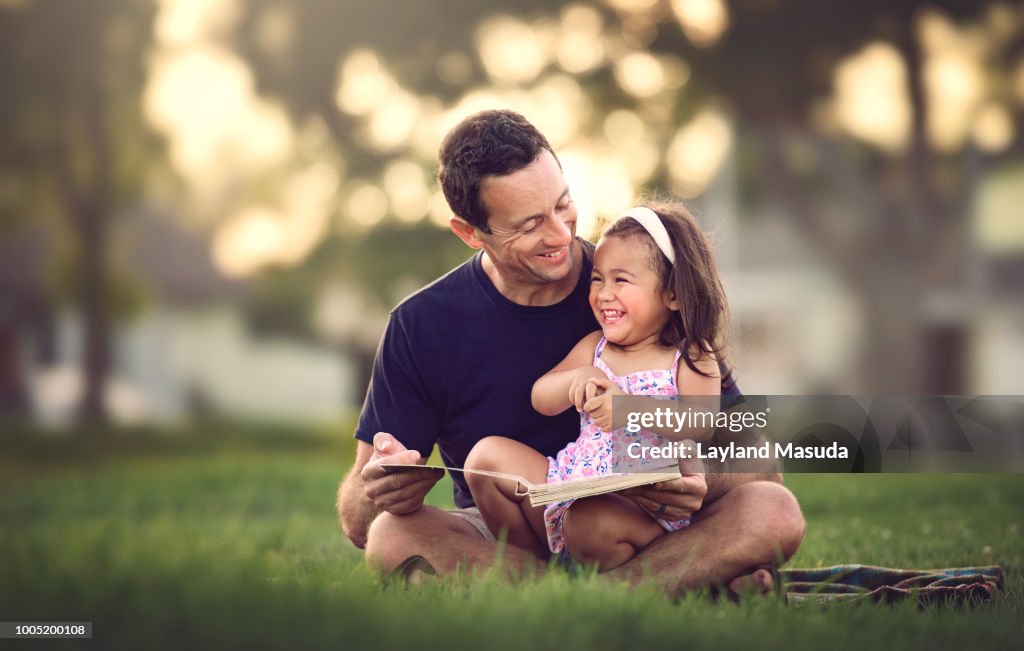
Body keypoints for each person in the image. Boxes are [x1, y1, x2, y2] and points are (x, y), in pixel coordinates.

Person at [335, 109, 805, 595]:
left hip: (644, 525)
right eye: (529, 224)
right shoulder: (420, 326)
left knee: (773, 509)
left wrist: (681, 479)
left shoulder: (636, 285)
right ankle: (646, 589)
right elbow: (356, 517)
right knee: (390, 537)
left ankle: (570, 597)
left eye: (563, 204)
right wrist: (381, 487)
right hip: (509, 535)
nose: (561, 235)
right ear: (471, 233)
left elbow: (762, 459)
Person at [466, 203, 734, 571]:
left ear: (672, 294)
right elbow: (541, 397)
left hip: (638, 505)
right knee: (485, 460)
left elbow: (702, 424)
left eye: (621, 280)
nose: (604, 293)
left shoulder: (689, 356)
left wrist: (628, 408)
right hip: (572, 481)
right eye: (597, 279)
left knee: (590, 523)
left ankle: (640, 572)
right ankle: (535, 569)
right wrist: (574, 379)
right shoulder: (596, 346)